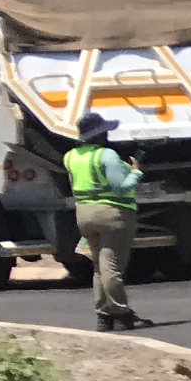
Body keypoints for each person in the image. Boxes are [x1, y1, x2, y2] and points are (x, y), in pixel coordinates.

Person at [60, 112, 148, 331]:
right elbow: (121, 186)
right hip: (112, 213)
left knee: (99, 266)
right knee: (112, 265)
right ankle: (121, 311)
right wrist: (136, 173)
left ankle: (103, 314)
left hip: (84, 213)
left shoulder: (70, 156)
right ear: (99, 135)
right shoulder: (106, 155)